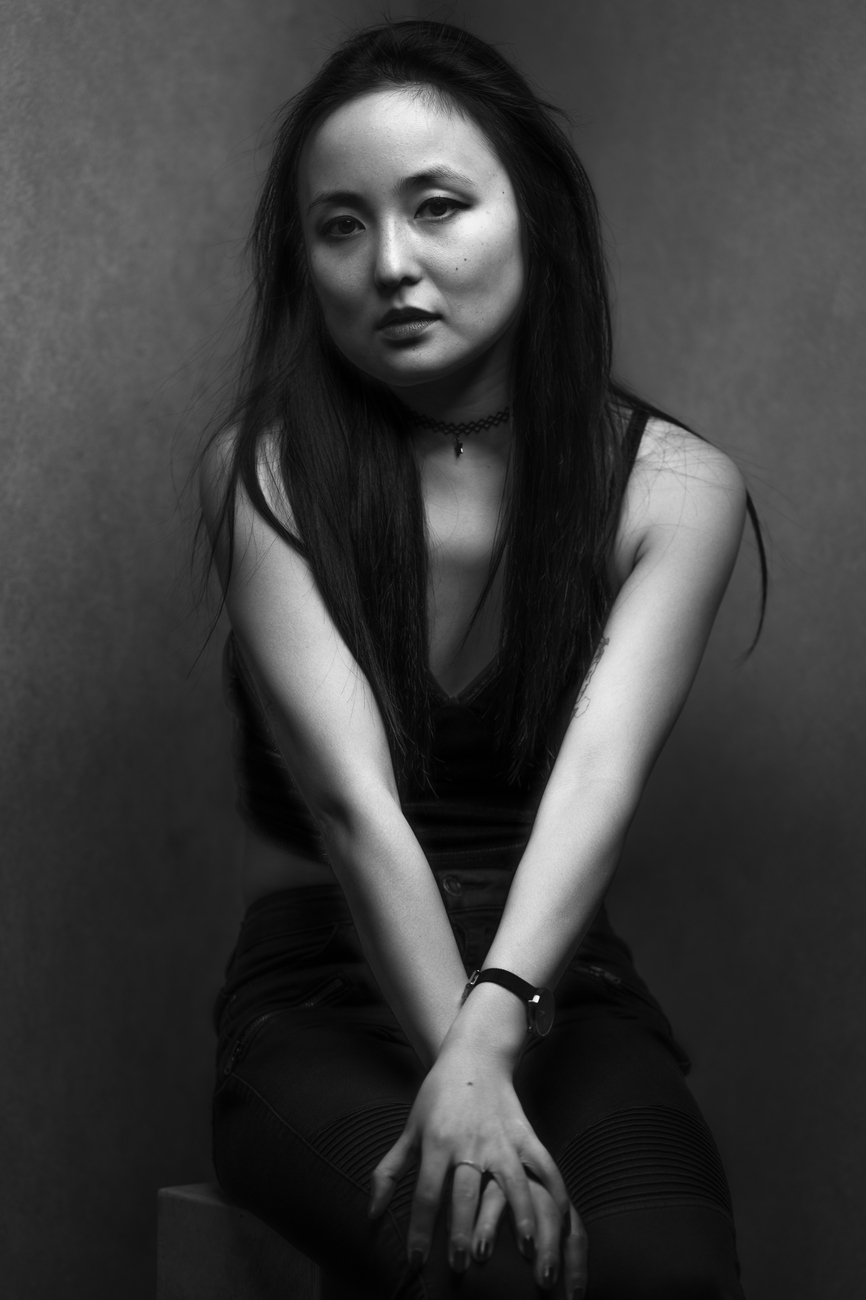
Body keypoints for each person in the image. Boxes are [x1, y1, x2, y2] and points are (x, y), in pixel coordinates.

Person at [197, 19, 762, 1299]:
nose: (390, 263)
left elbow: (597, 780)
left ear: (534, 219)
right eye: (340, 226)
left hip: (560, 985)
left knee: (667, 1272)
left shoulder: (673, 487)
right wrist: (461, 1067)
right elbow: (351, 803)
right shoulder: (265, 468)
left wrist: (492, 1030)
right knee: (494, 1264)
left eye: (437, 205)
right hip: (322, 990)